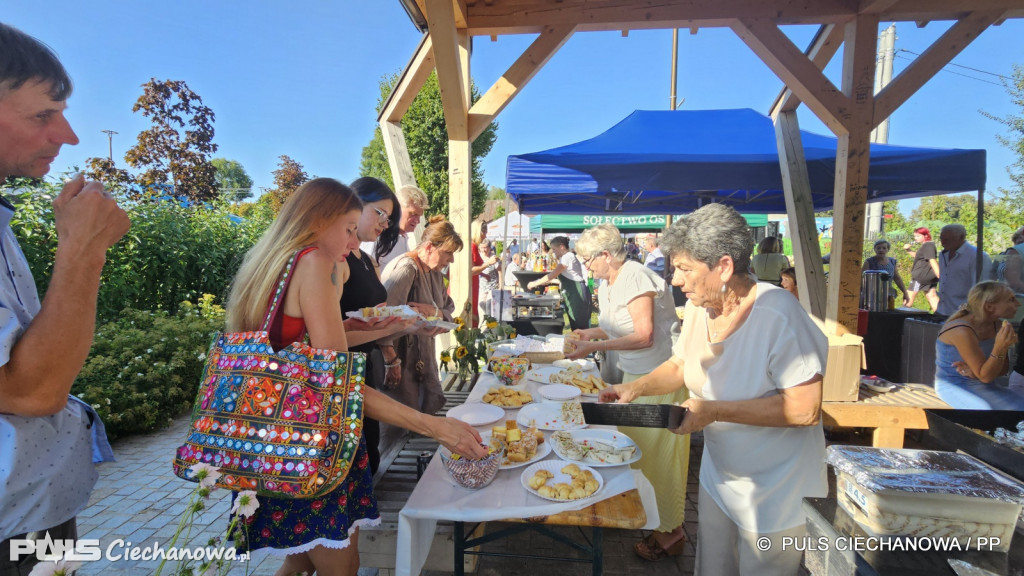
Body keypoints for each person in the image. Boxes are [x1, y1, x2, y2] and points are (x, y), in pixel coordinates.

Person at [225, 179, 484, 574]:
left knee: (300, 561)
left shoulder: (274, 261)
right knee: (341, 566)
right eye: (348, 229)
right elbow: (337, 381)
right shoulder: (315, 262)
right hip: (308, 447)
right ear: (319, 221)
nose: (352, 243)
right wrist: (434, 425)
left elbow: (310, 345)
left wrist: (398, 324)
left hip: (269, 439)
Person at [600, 203, 828, 576]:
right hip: (720, 474)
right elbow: (679, 365)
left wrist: (714, 410)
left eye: (685, 269)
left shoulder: (778, 314)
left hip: (774, 488)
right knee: (714, 567)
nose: (675, 280)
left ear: (723, 267)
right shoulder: (701, 309)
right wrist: (634, 388)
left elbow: (804, 409)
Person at [0, 24, 129, 573]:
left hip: (34, 510)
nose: (69, 136)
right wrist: (82, 249)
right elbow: (32, 390)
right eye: (43, 115)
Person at [566, 224, 685, 560]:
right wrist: (590, 333)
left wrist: (594, 347)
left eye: (588, 260)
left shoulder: (635, 275)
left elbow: (644, 334)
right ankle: (651, 517)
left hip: (659, 375)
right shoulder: (608, 281)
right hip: (637, 373)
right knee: (640, 451)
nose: (586, 267)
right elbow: (616, 324)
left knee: (659, 458)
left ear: (607, 255)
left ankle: (671, 532)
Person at [341, 177, 420, 474]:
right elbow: (325, 341)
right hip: (339, 374)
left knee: (369, 453)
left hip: (362, 368)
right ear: (354, 202)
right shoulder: (330, 260)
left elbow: (374, 319)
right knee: (354, 463)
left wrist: (412, 326)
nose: (386, 224)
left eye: (389, 218)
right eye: (381, 214)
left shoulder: (367, 259)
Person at [380, 216, 462, 419]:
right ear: (428, 247)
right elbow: (383, 318)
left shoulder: (434, 272)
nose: (451, 259)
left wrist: (434, 312)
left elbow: (448, 309)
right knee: (402, 420)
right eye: (448, 253)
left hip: (422, 355)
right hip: (401, 359)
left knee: (423, 416)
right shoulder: (406, 269)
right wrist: (391, 360)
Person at [933, 281, 1024, 410]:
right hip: (955, 386)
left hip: (986, 386)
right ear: (989, 306)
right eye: (1011, 300)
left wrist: (978, 373)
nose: (1018, 304)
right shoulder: (962, 330)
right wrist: (1000, 347)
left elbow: (1001, 370)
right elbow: (987, 376)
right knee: (985, 410)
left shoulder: (996, 324)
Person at [527, 236, 591, 330]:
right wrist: (551, 281)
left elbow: (552, 274)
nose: (553, 252)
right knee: (576, 326)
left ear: (561, 247)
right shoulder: (566, 257)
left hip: (577, 295)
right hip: (573, 293)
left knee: (580, 327)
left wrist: (534, 283)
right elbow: (569, 278)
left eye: (554, 249)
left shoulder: (567, 257)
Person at [360, 184, 428, 271]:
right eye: (413, 214)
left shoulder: (403, 238)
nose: (417, 221)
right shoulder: (377, 235)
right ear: (397, 208)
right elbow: (364, 271)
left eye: (419, 216)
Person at [938, 224, 992, 316]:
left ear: (961, 237)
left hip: (963, 314)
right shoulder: (943, 255)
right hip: (942, 311)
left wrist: (968, 312)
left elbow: (980, 288)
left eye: (947, 239)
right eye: (941, 239)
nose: (943, 243)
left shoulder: (977, 256)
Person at [861, 239, 910, 306]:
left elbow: (897, 278)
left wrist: (905, 293)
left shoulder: (892, 262)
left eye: (884, 248)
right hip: (871, 295)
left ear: (888, 250)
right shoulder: (869, 262)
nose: (881, 250)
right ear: (875, 249)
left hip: (888, 294)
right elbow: (862, 278)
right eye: (878, 248)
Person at [904, 227, 940, 312]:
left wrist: (939, 274)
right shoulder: (927, 245)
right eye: (915, 236)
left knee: (909, 296)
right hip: (929, 276)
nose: (915, 238)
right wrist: (908, 250)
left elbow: (932, 260)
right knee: (932, 296)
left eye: (918, 236)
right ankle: (942, 317)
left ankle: (902, 316)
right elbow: (919, 256)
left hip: (920, 277)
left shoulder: (928, 245)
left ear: (926, 235)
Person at [470, 220, 498, 325]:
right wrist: (488, 263)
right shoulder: (472, 246)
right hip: (471, 287)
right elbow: (470, 270)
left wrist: (483, 274)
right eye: (484, 233)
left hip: (475, 285)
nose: (485, 236)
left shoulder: (473, 246)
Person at [477, 238, 500, 322]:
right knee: (481, 308)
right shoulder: (478, 256)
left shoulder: (493, 257)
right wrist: (483, 274)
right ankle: (483, 326)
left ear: (490, 248)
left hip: (492, 286)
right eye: (482, 247)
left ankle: (489, 326)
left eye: (486, 247)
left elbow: (500, 271)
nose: (484, 250)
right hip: (481, 287)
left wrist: (500, 286)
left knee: (490, 308)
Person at [997, 226, 1024, 293]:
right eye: (1018, 237)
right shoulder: (1001, 255)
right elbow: (991, 275)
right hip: (1004, 294)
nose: (1020, 240)